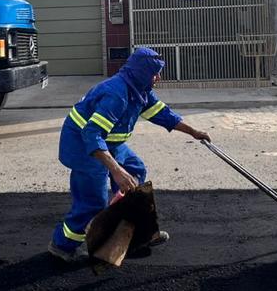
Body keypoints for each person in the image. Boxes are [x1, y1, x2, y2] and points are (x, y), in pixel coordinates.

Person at [50, 46, 211, 262]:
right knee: (93, 201)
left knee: (136, 170)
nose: (159, 78)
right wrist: (116, 171)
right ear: (143, 74)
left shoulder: (139, 89)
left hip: (108, 143)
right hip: (83, 146)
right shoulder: (117, 95)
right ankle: (63, 246)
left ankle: (133, 233)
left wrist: (194, 132)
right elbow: (92, 134)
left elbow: (162, 114)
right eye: (155, 74)